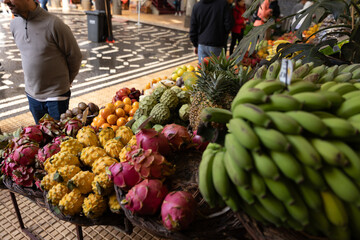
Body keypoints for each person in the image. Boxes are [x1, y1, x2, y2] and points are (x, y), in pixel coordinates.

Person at [4, 0, 82, 124]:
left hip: (56, 97)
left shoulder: (54, 24)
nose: (5, 1)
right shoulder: (14, 25)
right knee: (41, 137)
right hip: (32, 96)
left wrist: (66, 82)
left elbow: (75, 56)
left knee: (58, 140)